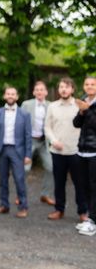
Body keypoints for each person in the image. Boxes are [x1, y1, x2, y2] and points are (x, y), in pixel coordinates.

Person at [45, 77, 88, 221]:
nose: (64, 89)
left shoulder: (80, 105)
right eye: (61, 87)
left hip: (76, 151)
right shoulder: (52, 106)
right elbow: (47, 127)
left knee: (79, 183)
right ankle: (59, 210)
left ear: (73, 90)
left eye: (67, 87)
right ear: (58, 90)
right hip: (57, 151)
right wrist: (53, 140)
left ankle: (82, 212)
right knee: (59, 182)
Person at [0, 86, 32, 218]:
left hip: (17, 150)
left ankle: (23, 207)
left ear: (17, 97)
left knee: (19, 179)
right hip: (1, 150)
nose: (10, 96)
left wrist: (28, 154)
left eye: (13, 94)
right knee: (2, 179)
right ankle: (4, 205)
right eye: (8, 94)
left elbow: (27, 135)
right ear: (4, 96)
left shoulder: (24, 114)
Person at [21, 81, 55, 206]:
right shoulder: (26, 104)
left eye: (42, 90)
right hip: (29, 140)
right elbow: (20, 123)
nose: (39, 92)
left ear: (46, 92)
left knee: (51, 167)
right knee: (25, 169)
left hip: (44, 141)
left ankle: (45, 194)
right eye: (37, 90)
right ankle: (21, 194)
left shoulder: (51, 105)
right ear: (34, 92)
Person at [74, 76, 96, 236]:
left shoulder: (91, 105)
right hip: (82, 150)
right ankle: (89, 218)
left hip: (95, 151)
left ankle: (93, 222)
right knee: (85, 186)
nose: (89, 86)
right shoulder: (83, 101)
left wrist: (87, 110)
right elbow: (76, 124)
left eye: (93, 84)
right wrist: (81, 112)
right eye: (87, 84)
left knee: (94, 187)